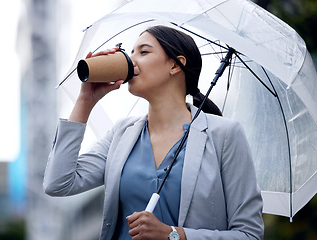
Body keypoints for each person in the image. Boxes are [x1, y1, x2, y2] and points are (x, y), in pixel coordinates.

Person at [44, 25, 264, 240]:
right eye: (131, 53)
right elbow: (58, 183)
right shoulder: (122, 134)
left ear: (176, 65)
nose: (131, 60)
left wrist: (174, 235)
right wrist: (85, 100)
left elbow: (249, 234)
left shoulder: (224, 135)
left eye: (144, 52)